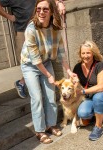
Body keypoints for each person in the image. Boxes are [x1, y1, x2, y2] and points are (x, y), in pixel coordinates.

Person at [21, 0, 76, 144]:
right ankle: (39, 131)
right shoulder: (31, 29)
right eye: (38, 9)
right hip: (30, 65)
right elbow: (35, 59)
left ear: (51, 11)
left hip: (45, 62)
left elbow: (61, 54)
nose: (41, 12)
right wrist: (49, 75)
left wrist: (69, 71)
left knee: (50, 96)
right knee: (37, 98)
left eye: (45, 9)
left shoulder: (55, 28)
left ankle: (50, 125)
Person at [0, 0, 65, 99]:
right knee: (29, 61)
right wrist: (9, 17)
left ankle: (27, 83)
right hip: (23, 31)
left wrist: (59, 2)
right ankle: (23, 83)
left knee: (42, 58)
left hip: (40, 29)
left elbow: (49, 2)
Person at [73, 40, 103, 141]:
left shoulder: (100, 65)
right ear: (80, 54)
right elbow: (74, 85)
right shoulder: (77, 67)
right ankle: (97, 113)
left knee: (98, 96)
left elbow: (101, 87)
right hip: (89, 98)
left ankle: (98, 127)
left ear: (93, 53)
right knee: (83, 113)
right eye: (83, 53)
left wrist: (82, 91)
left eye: (88, 52)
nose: (85, 56)